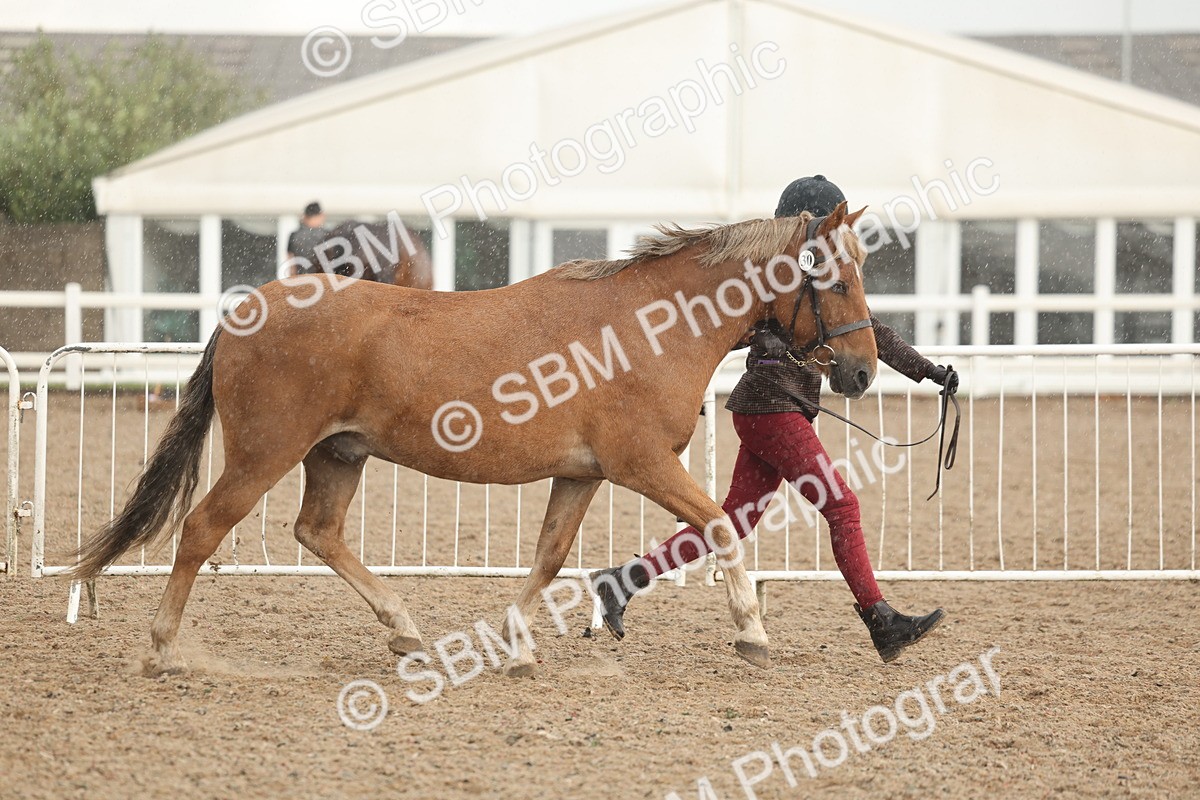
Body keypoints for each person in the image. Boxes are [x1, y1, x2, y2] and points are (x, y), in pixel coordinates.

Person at [590, 176, 957, 664]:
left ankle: (621, 583)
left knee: (733, 523)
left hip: (771, 412)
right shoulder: (777, 290)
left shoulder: (810, 287)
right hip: (772, 411)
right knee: (842, 506)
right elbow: (723, 333)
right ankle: (881, 620)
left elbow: (871, 331)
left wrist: (929, 372)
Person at [285, 201, 328, 277]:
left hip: (301, 282)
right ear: (321, 215)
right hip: (323, 282)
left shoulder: (294, 236)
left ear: (304, 216)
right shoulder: (328, 235)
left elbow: (292, 267)